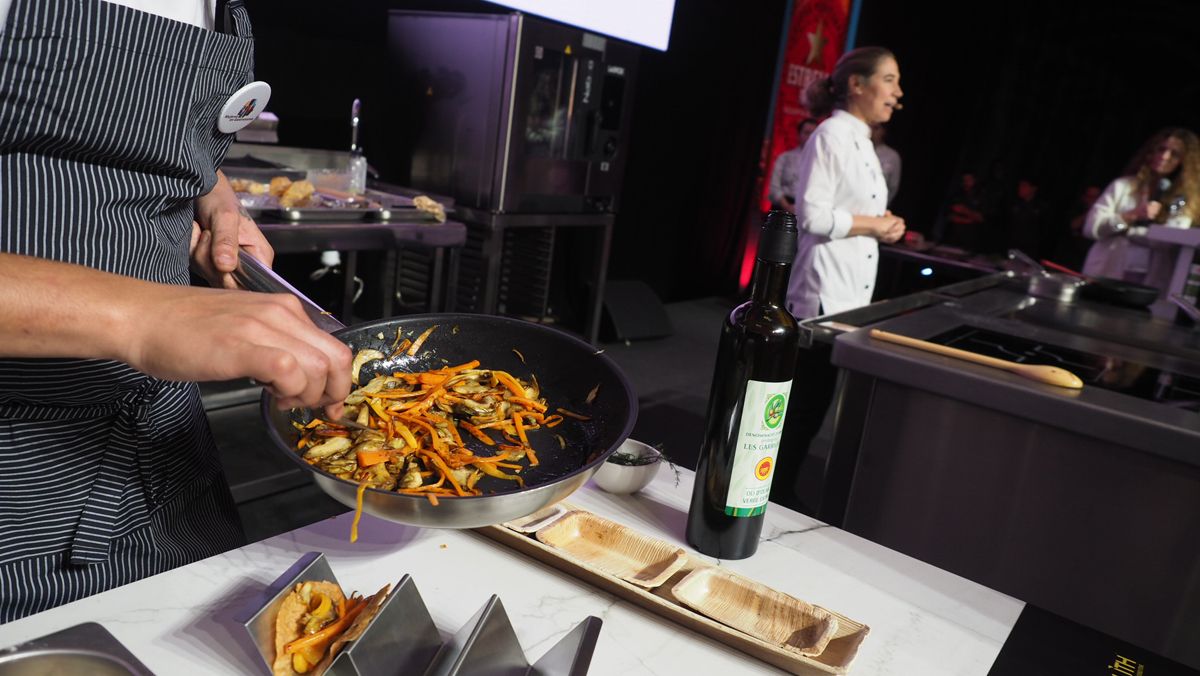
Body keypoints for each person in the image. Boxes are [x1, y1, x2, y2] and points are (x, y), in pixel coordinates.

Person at [0, 0, 353, 622]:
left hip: (169, 458)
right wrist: (143, 317)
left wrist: (210, 195)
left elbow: (156, 141)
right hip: (24, 492)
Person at [772, 46, 906, 513]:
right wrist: (875, 224)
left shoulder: (864, 140)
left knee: (814, 404)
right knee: (804, 404)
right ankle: (773, 489)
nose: (897, 93)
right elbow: (812, 215)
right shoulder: (830, 133)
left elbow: (851, 211)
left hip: (851, 291)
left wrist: (882, 222)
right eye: (889, 80)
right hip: (823, 289)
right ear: (857, 85)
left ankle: (779, 486)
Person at [1082, 127, 1200, 293]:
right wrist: (1131, 216)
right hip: (1105, 276)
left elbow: (1166, 242)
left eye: (1174, 154)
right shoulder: (1123, 186)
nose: (1164, 156)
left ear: (1185, 162)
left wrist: (1128, 232)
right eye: (1162, 149)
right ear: (1151, 151)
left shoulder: (1180, 200)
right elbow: (1092, 229)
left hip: (1148, 287)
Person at [767, 117, 820, 212]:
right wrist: (787, 206)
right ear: (799, 135)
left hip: (809, 210)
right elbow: (774, 187)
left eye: (813, 133)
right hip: (784, 206)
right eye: (806, 133)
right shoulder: (785, 157)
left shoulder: (821, 161)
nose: (810, 137)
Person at [935, 171, 987, 250]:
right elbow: (949, 215)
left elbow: (981, 218)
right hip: (952, 235)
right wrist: (968, 218)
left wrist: (965, 211)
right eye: (964, 180)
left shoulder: (981, 197)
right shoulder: (956, 195)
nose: (966, 182)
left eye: (969, 180)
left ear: (974, 180)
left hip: (969, 238)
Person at [871, 123, 902, 207]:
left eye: (876, 128)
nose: (872, 131)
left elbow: (893, 187)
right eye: (870, 127)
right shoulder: (858, 147)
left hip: (876, 207)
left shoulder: (891, 156)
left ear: (883, 131)